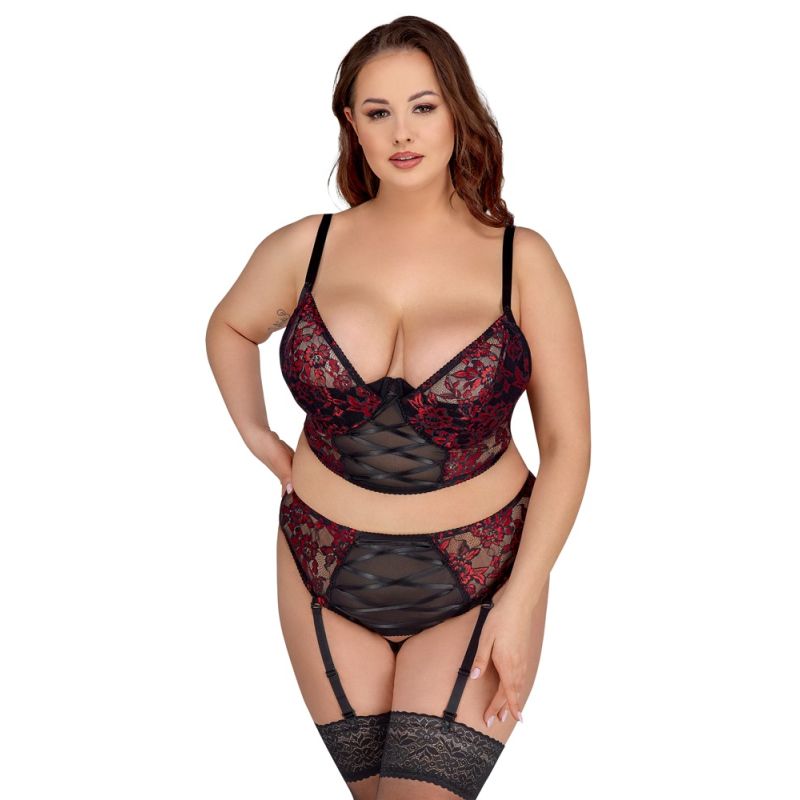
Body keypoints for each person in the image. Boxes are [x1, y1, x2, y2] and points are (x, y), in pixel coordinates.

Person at [206, 15, 590, 800]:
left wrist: (520, 603)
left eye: (423, 107)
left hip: (482, 577)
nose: (402, 133)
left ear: (457, 112)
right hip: (319, 569)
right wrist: (257, 435)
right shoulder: (306, 247)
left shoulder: (522, 260)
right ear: (352, 123)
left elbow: (568, 446)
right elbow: (230, 327)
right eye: (378, 112)